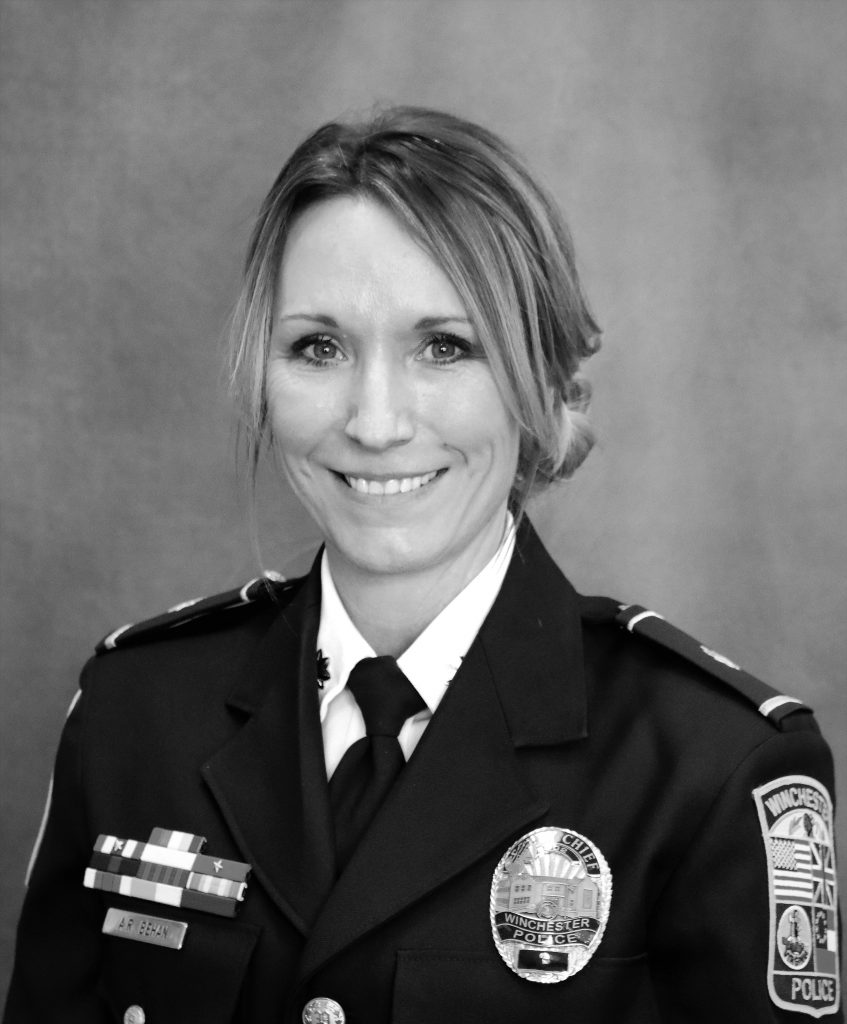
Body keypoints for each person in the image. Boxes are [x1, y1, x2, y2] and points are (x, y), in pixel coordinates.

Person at [5, 107, 841, 1024]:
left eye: (444, 347)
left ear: (544, 387)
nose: (375, 422)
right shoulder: (134, 714)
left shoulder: (711, 767)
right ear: (260, 378)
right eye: (318, 347)